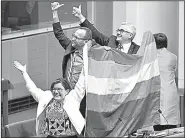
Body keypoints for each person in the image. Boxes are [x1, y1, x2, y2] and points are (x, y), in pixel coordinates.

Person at [51, 2, 97, 118]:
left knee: (83, 122)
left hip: (85, 96)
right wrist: (54, 12)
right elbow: (59, 34)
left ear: (86, 41)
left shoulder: (95, 54)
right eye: (73, 35)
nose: (73, 39)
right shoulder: (71, 47)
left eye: (76, 37)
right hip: (68, 94)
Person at [13, 61, 79, 138]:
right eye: (54, 89)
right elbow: (32, 88)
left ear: (67, 91)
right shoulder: (46, 96)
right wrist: (24, 73)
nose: (56, 92)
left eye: (59, 89)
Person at [72, 5, 140, 54]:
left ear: (130, 35)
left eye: (122, 31)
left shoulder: (137, 50)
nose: (118, 33)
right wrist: (80, 16)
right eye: (118, 30)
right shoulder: (111, 41)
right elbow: (96, 35)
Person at [153, 33, 180, 131]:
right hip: (171, 93)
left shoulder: (151, 57)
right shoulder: (173, 57)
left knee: (158, 126)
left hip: (157, 92)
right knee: (171, 128)